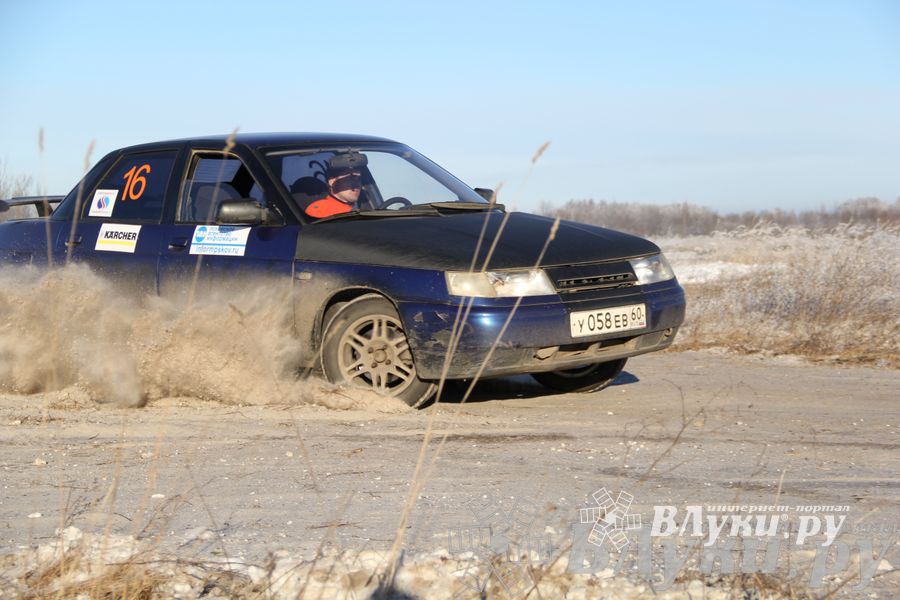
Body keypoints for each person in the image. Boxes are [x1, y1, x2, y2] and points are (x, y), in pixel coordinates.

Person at [304, 153, 365, 218]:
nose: (357, 183)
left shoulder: (365, 207)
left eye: (359, 179)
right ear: (332, 181)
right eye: (350, 178)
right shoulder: (320, 210)